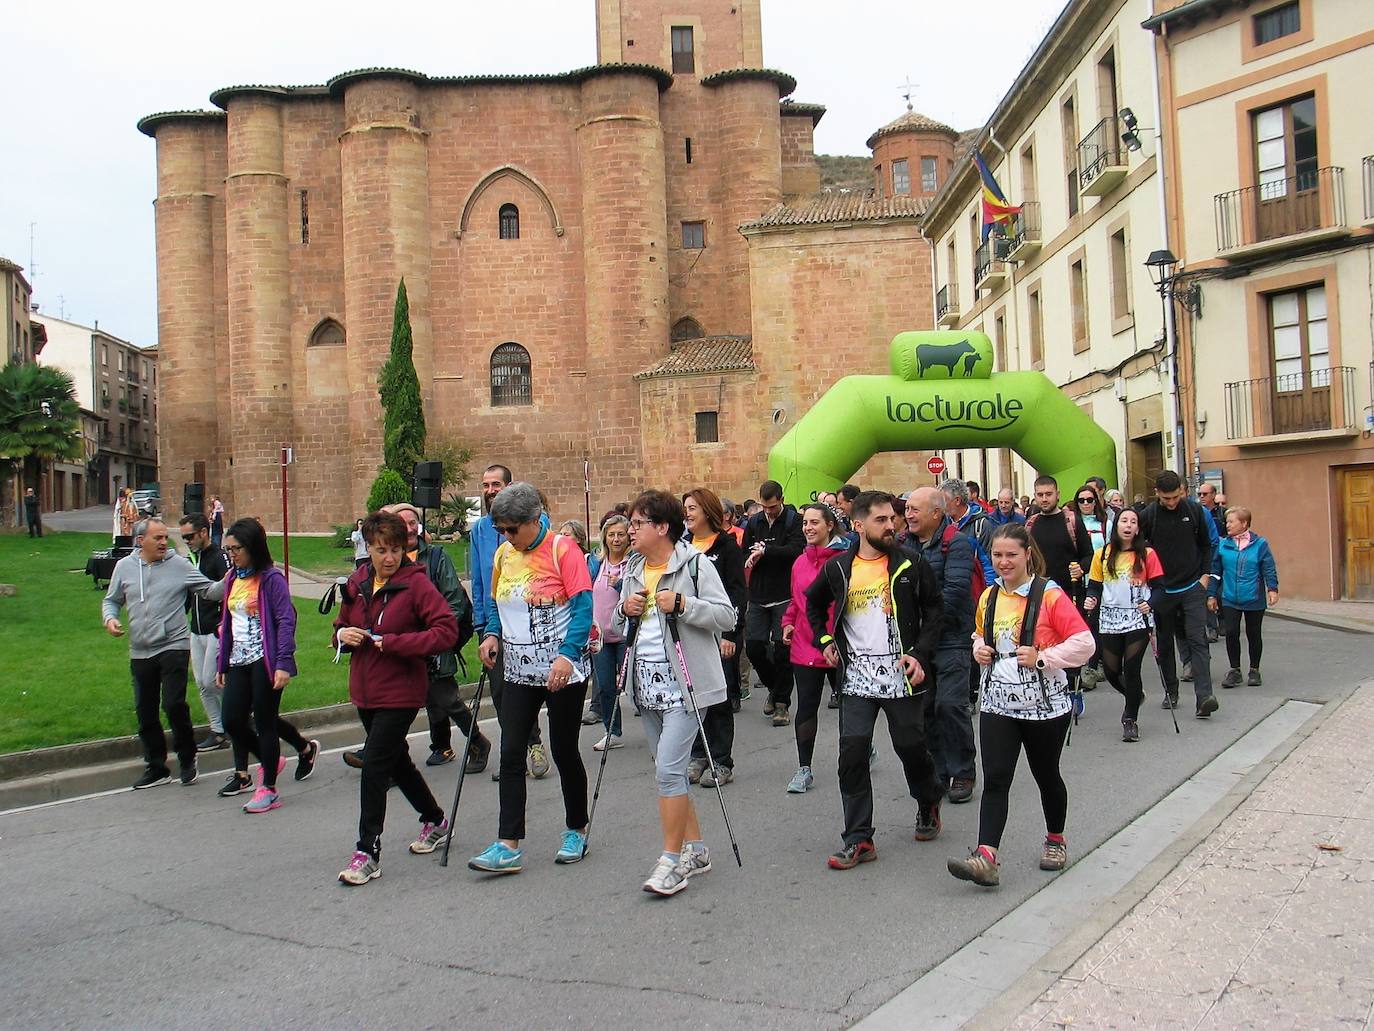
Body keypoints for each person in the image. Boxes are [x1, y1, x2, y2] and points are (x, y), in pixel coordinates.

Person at [948, 524, 1094, 888]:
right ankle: (986, 856)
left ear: (1027, 554)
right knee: (997, 777)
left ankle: (1055, 838)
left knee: (1046, 775)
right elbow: (981, 633)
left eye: (1011, 554)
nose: (1003, 562)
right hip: (999, 701)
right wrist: (978, 647)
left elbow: (1085, 643)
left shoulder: (1050, 596)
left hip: (1043, 705)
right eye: (997, 555)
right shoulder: (989, 596)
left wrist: (1044, 657)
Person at [805, 490, 945, 870]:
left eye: (893, 519)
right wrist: (825, 640)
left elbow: (935, 610)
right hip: (856, 678)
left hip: (902, 675)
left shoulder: (911, 563)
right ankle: (859, 838)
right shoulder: (837, 568)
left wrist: (919, 654)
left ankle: (928, 798)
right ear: (859, 524)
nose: (891, 525)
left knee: (910, 747)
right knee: (851, 754)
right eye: (881, 520)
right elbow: (812, 603)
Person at [611, 490, 738, 896]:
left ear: (662, 527)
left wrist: (683, 603)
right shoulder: (632, 569)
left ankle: (670, 861)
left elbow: (726, 615)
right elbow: (618, 624)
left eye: (637, 524)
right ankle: (696, 851)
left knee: (668, 771)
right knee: (670, 772)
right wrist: (623, 611)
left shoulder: (695, 565)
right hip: (644, 685)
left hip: (686, 685)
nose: (629, 531)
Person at [469, 483, 594, 875]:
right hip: (519, 670)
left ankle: (576, 827)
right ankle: (508, 843)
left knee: (563, 749)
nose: (505, 537)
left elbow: (583, 606)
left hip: (562, 672)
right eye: (501, 529)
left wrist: (567, 656)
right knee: (511, 753)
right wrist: (491, 634)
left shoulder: (561, 549)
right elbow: (496, 603)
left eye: (511, 529)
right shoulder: (505, 554)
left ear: (533, 520)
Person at [334, 511, 458, 885]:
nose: (389, 558)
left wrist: (395, 643)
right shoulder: (357, 583)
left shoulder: (417, 585)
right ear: (367, 548)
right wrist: (344, 636)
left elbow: (446, 630)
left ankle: (367, 851)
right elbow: (340, 622)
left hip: (402, 690)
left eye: (396, 549)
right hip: (365, 688)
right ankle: (435, 820)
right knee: (396, 763)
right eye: (380, 549)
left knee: (374, 764)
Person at [102, 517, 227, 789]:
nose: (164, 542)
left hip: (173, 646)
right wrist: (110, 619)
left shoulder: (179, 565)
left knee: (173, 704)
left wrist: (231, 578)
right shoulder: (124, 567)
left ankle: (187, 760)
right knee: (145, 711)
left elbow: (209, 590)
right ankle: (156, 767)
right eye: (157, 538)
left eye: (164, 537)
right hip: (140, 650)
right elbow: (111, 600)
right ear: (140, 541)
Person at [214, 518, 319, 810]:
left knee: (265, 721)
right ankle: (271, 757)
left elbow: (286, 619)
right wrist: (222, 663)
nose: (231, 554)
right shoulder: (233, 578)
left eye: (236, 549)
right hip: (238, 660)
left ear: (253, 547)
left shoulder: (271, 579)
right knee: (232, 720)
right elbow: (228, 622)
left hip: (266, 660)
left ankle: (268, 788)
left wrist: (283, 662)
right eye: (228, 549)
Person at [391, 503, 488, 772]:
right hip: (402, 647)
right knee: (401, 703)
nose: (409, 529)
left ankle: (478, 742)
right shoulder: (390, 560)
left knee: (447, 700)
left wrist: (434, 636)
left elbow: (454, 600)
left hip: (433, 643)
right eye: (403, 524)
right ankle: (396, 757)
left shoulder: (434, 556)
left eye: (413, 523)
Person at [469, 464, 547, 779]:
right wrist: (481, 623)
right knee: (502, 693)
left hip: (525, 620)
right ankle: (514, 751)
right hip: (492, 622)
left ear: (510, 486)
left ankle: (535, 744)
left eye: (496, 484)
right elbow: (478, 577)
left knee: (526, 686)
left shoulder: (535, 524)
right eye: (486, 485)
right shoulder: (478, 530)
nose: (490, 490)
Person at [906, 487, 978, 804]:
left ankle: (963, 772)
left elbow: (956, 591)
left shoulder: (957, 543)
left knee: (950, 705)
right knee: (926, 710)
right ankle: (939, 770)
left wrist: (927, 628)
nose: (908, 514)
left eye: (914, 509)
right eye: (906, 509)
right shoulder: (902, 545)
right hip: (919, 644)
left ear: (936, 513)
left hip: (952, 639)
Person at [1139, 471, 1219, 718]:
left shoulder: (1195, 511)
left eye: (1175, 497)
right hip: (1162, 590)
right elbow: (1140, 550)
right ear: (1158, 495)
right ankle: (1170, 691)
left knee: (1198, 639)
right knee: (1164, 644)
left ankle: (1204, 697)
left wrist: (1205, 576)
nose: (1171, 502)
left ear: (1182, 492)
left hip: (1192, 586)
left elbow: (1207, 545)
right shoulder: (1148, 516)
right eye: (1166, 498)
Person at [781, 503, 847, 793]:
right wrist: (788, 623)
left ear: (829, 525)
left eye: (814, 522)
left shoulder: (846, 560)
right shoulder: (799, 562)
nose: (808, 528)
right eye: (805, 523)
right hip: (804, 644)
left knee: (850, 706)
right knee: (806, 705)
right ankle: (804, 768)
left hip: (839, 644)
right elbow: (796, 601)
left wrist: (837, 638)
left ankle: (860, 750)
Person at [682, 488, 746, 787]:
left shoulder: (728, 547)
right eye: (686, 508)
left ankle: (721, 761)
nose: (688, 513)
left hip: (720, 631)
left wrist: (730, 634)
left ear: (708, 511)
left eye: (693, 507)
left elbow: (736, 593)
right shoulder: (682, 546)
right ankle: (698, 754)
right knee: (694, 696)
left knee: (718, 697)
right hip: (691, 631)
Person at [1084, 509, 1165, 742]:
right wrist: (1092, 599)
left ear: (1138, 528)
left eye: (1133, 522)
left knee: (1131, 668)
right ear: (1116, 526)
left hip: (1137, 619)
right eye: (1124, 521)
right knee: (1110, 670)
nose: (1128, 525)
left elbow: (1160, 588)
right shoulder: (1102, 554)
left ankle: (1130, 720)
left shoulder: (1147, 554)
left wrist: (1150, 604)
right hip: (1109, 619)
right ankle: (1134, 695)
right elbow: (1095, 587)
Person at [1026, 475, 1095, 703]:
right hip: (1039, 594)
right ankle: (1049, 689)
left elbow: (1088, 555)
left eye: (1048, 494)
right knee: (1043, 641)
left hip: (1068, 592)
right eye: (1040, 495)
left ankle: (1074, 689)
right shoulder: (1031, 523)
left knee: (1068, 641)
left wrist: (1081, 568)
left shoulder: (1071, 521)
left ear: (1057, 494)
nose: (1044, 499)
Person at [742, 480, 805, 726]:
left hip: (784, 594)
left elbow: (797, 550)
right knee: (755, 648)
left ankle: (782, 704)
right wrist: (750, 557)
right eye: (764, 507)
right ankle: (774, 688)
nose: (768, 511)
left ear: (781, 499)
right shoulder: (754, 523)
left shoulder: (793, 521)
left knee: (783, 650)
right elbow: (745, 550)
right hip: (757, 594)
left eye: (772, 506)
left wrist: (767, 552)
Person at [1209, 507, 1278, 689]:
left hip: (1254, 597)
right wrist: (1211, 594)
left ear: (1244, 523)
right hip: (1230, 597)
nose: (1227, 525)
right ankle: (1235, 670)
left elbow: (1268, 567)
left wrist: (1272, 588)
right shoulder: (1223, 544)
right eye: (1227, 521)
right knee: (1231, 632)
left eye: (1231, 521)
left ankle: (1254, 670)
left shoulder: (1260, 544)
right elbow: (1215, 571)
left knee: (1253, 633)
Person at [178, 513, 230, 751]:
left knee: (211, 680)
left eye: (190, 536)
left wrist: (223, 623)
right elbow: (189, 593)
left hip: (214, 629)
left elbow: (230, 590)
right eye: (183, 537)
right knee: (201, 682)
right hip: (196, 629)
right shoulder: (190, 559)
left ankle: (236, 717)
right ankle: (218, 729)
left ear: (203, 532)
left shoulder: (219, 557)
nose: (186, 540)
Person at [589, 515, 631, 744]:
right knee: (605, 686)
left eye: (620, 534)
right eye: (611, 534)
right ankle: (612, 731)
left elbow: (640, 592)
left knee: (632, 684)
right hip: (600, 636)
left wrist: (620, 584)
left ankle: (658, 726)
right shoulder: (595, 562)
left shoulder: (635, 562)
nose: (616, 539)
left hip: (625, 635)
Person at [1071, 485, 1113, 691]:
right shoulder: (1071, 523)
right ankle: (1083, 665)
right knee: (1081, 623)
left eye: (1090, 500)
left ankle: (1095, 666)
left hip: (1099, 580)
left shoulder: (1106, 523)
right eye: (1082, 500)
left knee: (1096, 622)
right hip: (1077, 581)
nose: (1086, 504)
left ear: (1096, 501)